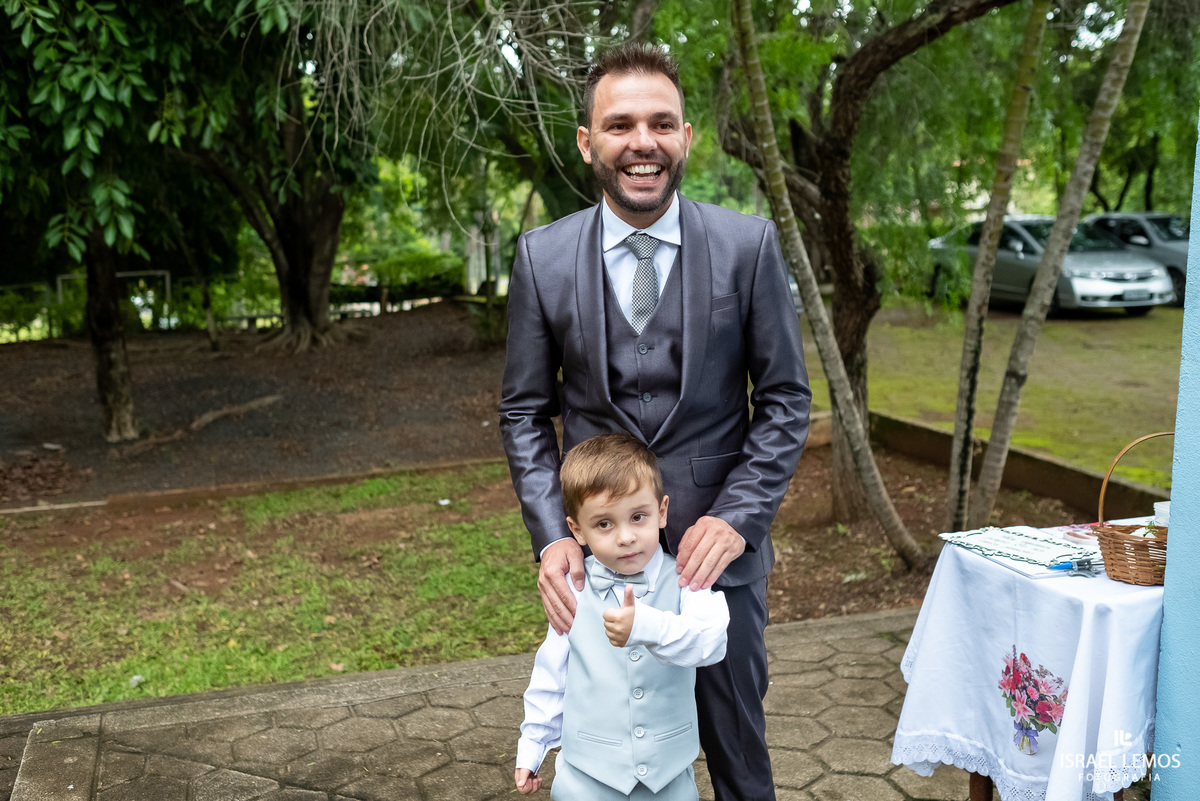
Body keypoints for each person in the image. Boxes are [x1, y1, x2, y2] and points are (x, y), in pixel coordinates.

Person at [500, 42, 811, 800]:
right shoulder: (542, 258)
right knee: (605, 745)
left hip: (718, 564)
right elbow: (522, 410)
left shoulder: (747, 248)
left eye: (661, 123)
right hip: (599, 562)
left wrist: (738, 518)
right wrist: (551, 539)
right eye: (621, 124)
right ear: (588, 141)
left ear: (686, 136)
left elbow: (785, 401)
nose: (643, 142)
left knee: (738, 751)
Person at [514, 433, 730, 799]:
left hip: (668, 778)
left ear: (662, 512)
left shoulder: (686, 578)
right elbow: (552, 674)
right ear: (576, 530)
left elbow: (711, 642)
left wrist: (647, 628)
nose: (626, 537)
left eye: (638, 517)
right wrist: (533, 746)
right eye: (604, 524)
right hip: (585, 776)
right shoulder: (573, 587)